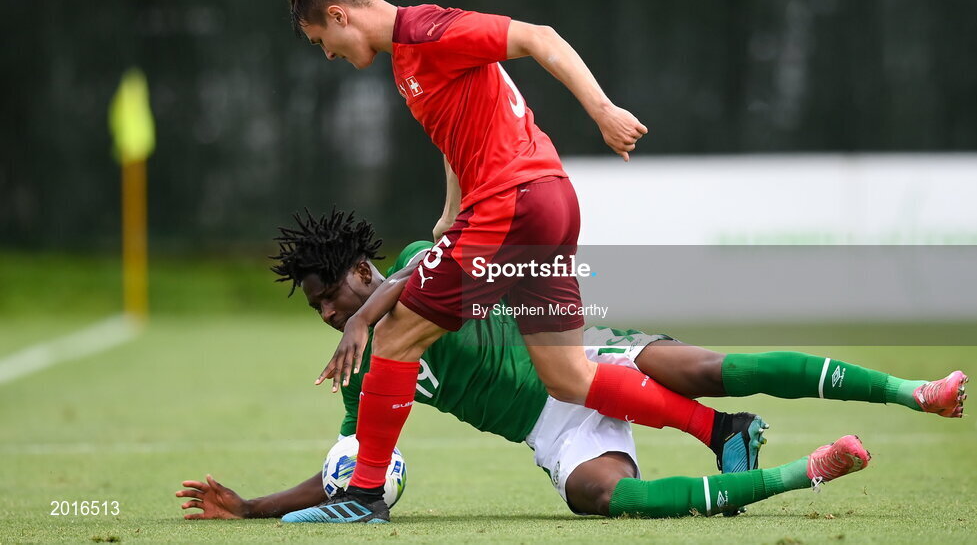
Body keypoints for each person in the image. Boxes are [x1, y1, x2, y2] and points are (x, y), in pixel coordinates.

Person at [282, 0, 728, 525]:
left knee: (394, 339)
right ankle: (722, 429)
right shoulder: (406, 63)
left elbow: (539, 38)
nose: (328, 54)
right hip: (535, 203)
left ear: (341, 14)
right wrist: (451, 214)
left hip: (513, 202)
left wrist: (602, 110)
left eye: (322, 39)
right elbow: (458, 136)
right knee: (566, 376)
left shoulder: (430, 31)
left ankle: (364, 497)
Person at [177, 211, 885, 522]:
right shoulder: (363, 371)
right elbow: (353, 466)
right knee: (600, 501)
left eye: (334, 297)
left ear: (363, 271)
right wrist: (252, 506)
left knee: (706, 368)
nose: (331, 315)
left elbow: (422, 267)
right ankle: (797, 475)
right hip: (553, 431)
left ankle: (889, 393)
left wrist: (363, 316)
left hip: (576, 353)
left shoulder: (411, 272)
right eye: (320, 310)